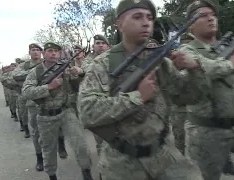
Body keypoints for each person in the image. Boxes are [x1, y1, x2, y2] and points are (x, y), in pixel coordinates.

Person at [78, 0, 203, 179]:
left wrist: (194, 69)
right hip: (121, 163)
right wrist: (137, 96)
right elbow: (86, 112)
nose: (146, 22)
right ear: (119, 24)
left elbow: (191, 97)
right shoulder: (102, 65)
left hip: (164, 155)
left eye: (149, 18)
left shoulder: (161, 62)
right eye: (137, 17)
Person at [178, 1, 234, 180]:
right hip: (206, 134)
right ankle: (224, 162)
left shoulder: (226, 47)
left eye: (213, 15)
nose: (210, 18)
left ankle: (226, 162)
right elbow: (195, 65)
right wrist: (230, 65)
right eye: (203, 15)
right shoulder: (188, 49)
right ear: (191, 25)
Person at [22, 42, 94, 180]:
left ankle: (87, 173)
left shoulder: (66, 68)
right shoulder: (35, 72)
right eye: (50, 50)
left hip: (66, 112)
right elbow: (26, 92)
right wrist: (49, 87)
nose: (53, 53)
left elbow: (82, 84)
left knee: (81, 145)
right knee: (49, 150)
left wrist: (79, 73)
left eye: (56, 51)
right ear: (44, 53)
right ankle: (52, 176)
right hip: (45, 116)